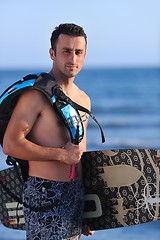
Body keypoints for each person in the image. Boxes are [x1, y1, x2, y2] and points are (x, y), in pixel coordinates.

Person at [3, 23, 94, 239]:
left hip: (75, 194)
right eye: (66, 51)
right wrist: (61, 155)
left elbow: (80, 155)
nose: (72, 58)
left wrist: (88, 209)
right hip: (44, 193)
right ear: (52, 53)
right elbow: (11, 144)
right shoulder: (37, 95)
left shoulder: (84, 100)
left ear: (84, 55)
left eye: (78, 52)